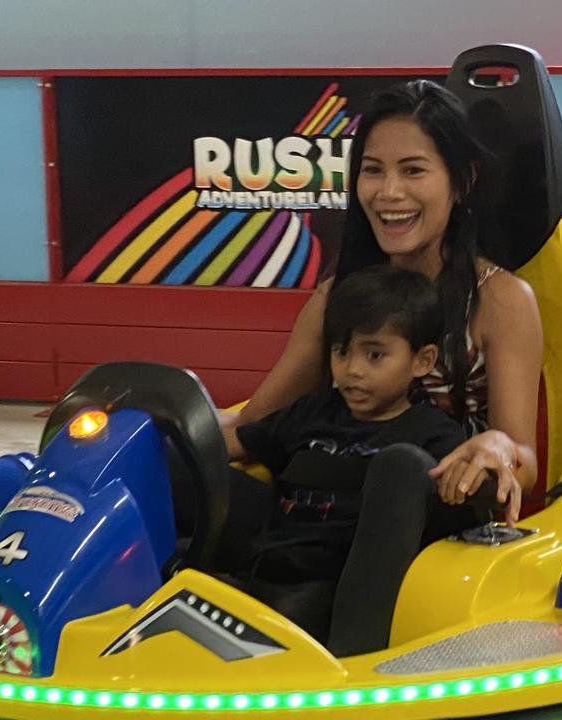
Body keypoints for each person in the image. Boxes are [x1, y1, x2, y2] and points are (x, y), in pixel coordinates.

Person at [225, 78, 543, 526]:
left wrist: (499, 447)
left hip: (429, 523)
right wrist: (153, 423)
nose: (388, 192)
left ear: (462, 181)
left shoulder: (501, 299)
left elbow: (522, 461)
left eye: (413, 170)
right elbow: (256, 421)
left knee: (398, 471)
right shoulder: (340, 296)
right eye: (373, 170)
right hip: (325, 510)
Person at [222, 264, 477, 655]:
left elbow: (462, 499)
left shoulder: (433, 434)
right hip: (263, 564)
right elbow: (231, 445)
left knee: (403, 463)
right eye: (341, 352)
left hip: (339, 591)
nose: (352, 370)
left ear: (422, 361)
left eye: (375, 355)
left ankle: (353, 656)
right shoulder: (313, 412)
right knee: (175, 466)